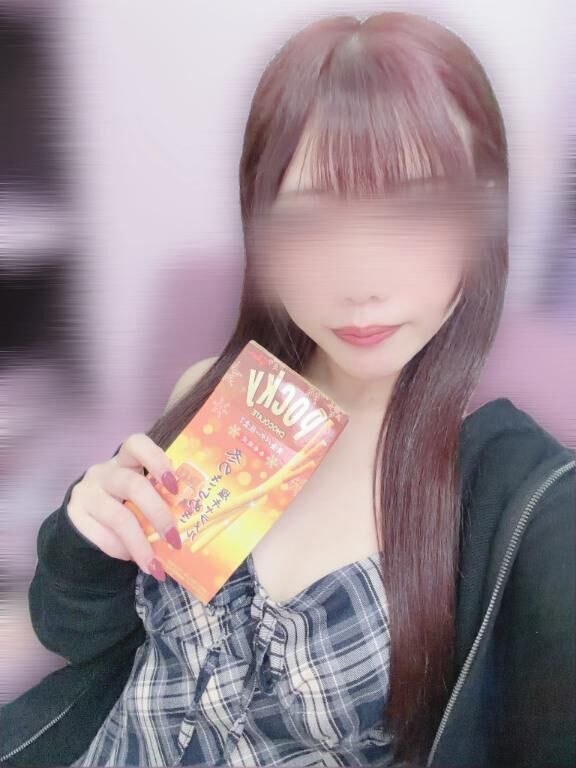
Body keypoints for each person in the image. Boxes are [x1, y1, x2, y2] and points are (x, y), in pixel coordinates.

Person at [1, 11, 574, 768]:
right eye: (307, 223)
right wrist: (87, 536)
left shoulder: (524, 505)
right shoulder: (224, 399)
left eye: (414, 214)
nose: (360, 282)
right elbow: (75, 632)